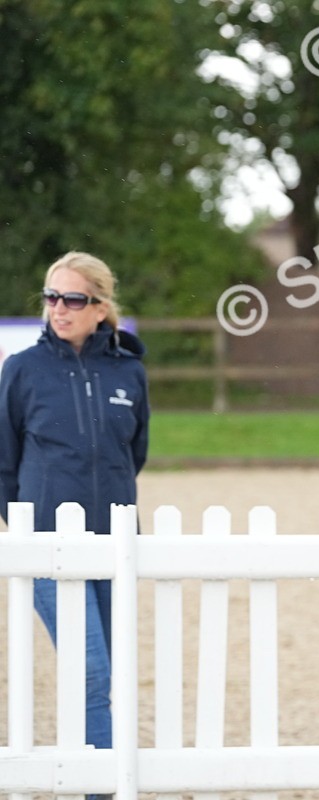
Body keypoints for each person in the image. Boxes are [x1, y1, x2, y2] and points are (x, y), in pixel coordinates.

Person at [0, 252, 149, 794]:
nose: (59, 309)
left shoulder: (129, 371)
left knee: (111, 677)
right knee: (90, 673)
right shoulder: (22, 370)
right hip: (48, 549)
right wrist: (30, 530)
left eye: (73, 299)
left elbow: (134, 452)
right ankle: (101, 790)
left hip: (115, 547)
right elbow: (4, 462)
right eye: (51, 297)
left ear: (100, 306)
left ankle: (102, 779)